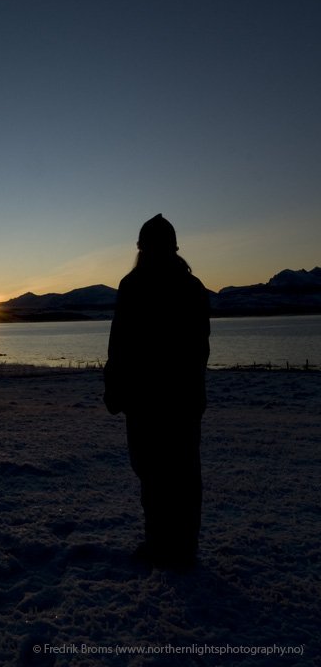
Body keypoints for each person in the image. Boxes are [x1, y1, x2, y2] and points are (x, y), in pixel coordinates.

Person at [104, 214, 210, 570]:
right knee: (172, 472)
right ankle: (174, 545)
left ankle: (170, 546)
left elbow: (120, 345)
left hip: (153, 398)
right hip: (173, 398)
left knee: (159, 471)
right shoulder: (189, 287)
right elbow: (198, 349)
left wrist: (116, 387)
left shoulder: (137, 285)